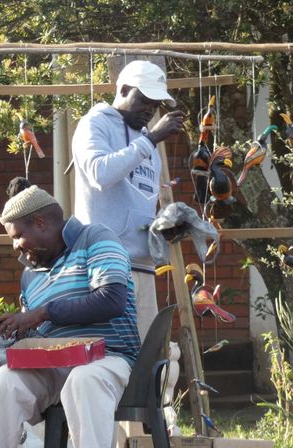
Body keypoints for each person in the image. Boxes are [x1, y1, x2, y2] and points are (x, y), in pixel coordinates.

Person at [0, 186, 140, 448]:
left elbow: (111, 299)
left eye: (19, 236)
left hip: (106, 358)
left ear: (41, 223)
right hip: (51, 365)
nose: (16, 247)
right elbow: (39, 328)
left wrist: (42, 313)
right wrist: (18, 331)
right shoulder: (30, 272)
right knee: (3, 382)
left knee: (84, 379)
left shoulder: (95, 238)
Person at [72, 59, 184, 339]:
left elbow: (142, 202)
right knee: (107, 357)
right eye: (144, 100)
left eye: (155, 105)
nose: (150, 110)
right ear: (122, 89)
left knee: (145, 360)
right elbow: (100, 173)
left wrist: (163, 228)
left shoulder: (148, 143)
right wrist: (152, 139)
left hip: (143, 268)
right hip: (103, 268)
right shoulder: (95, 124)